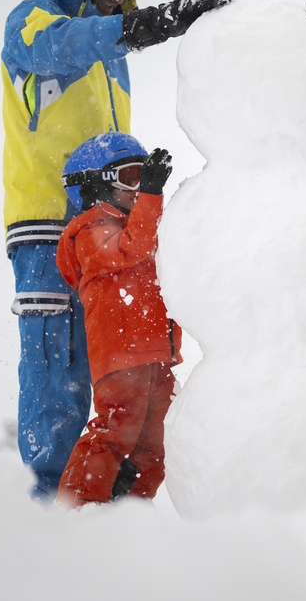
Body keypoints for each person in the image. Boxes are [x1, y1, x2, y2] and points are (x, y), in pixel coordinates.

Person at [1, 0, 228, 501]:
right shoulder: (35, 22)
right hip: (47, 222)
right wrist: (150, 24)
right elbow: (64, 46)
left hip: (110, 227)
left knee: (119, 367)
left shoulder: (115, 49)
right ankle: (49, 505)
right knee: (59, 366)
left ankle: (114, 508)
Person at [54, 133, 181, 506]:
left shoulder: (145, 221)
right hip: (121, 354)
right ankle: (75, 509)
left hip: (158, 353)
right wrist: (154, 194)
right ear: (95, 185)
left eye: (146, 176)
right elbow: (132, 246)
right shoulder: (89, 230)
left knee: (158, 442)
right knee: (117, 428)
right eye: (130, 178)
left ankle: (129, 515)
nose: (139, 188)